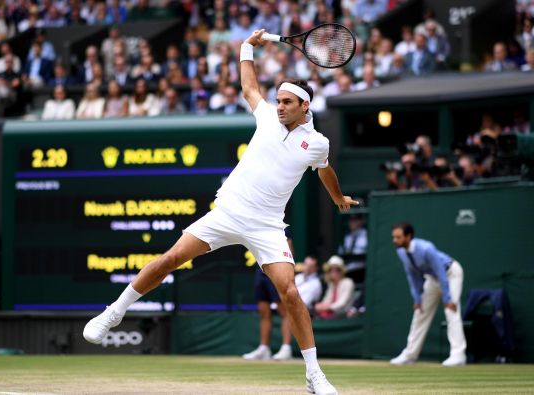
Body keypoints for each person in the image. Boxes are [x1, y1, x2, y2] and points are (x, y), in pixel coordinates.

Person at [83, 29, 358, 395]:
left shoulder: (317, 143)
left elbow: (324, 169)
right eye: (278, 100)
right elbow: (249, 87)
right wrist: (246, 47)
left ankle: (313, 375)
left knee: (290, 292)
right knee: (170, 260)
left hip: (267, 226)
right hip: (228, 212)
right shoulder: (265, 118)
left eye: (287, 102)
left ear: (304, 106)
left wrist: (338, 197)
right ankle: (113, 313)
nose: (279, 107)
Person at [390, 223, 467, 367]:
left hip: (450, 274)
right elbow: (412, 275)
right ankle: (410, 355)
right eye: (394, 237)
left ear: (408, 236)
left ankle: (458, 355)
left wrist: (447, 298)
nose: (395, 240)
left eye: (398, 237)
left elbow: (441, 272)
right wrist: (417, 299)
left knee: (451, 311)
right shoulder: (400, 251)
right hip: (432, 279)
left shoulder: (426, 248)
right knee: (420, 313)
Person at [243, 228, 294, 362]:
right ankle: (264, 348)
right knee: (263, 311)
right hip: (261, 271)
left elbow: (289, 248)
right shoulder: (256, 223)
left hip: (277, 268)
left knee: (283, 310)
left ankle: (286, 348)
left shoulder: (282, 226)